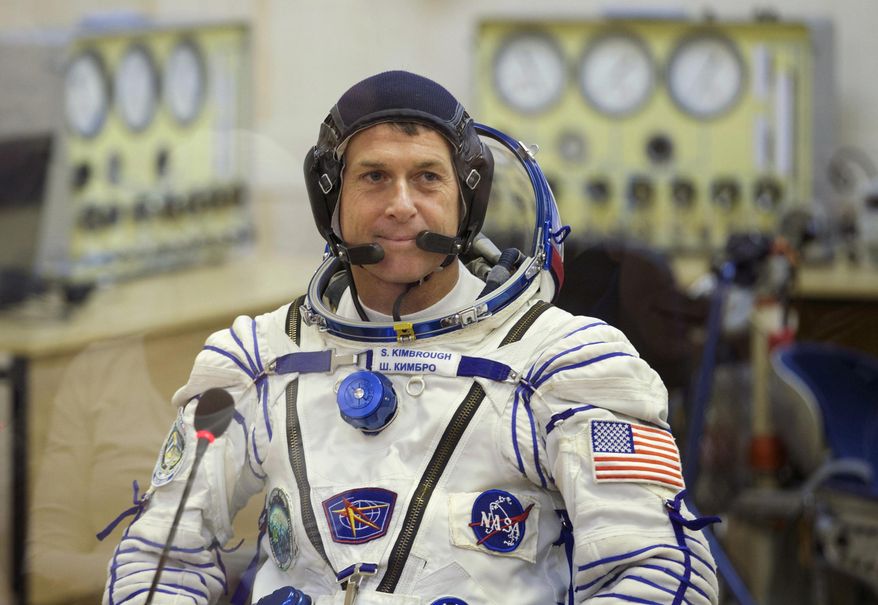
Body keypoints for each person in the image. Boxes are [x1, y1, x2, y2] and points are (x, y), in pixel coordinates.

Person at [102, 70, 719, 604]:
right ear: (330, 200)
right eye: (373, 177)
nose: (401, 205)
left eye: (427, 177)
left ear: (466, 200)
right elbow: (158, 558)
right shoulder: (256, 362)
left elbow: (658, 573)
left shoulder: (564, 365)